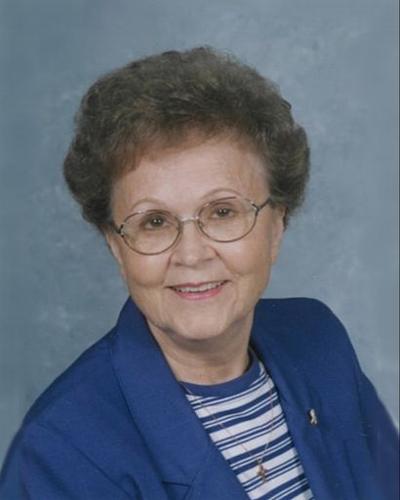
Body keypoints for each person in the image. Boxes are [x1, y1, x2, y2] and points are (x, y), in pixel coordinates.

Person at [0, 47, 398, 500]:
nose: (191, 254)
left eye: (223, 211)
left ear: (277, 225)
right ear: (116, 245)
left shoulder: (318, 340)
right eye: (154, 221)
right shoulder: (58, 453)